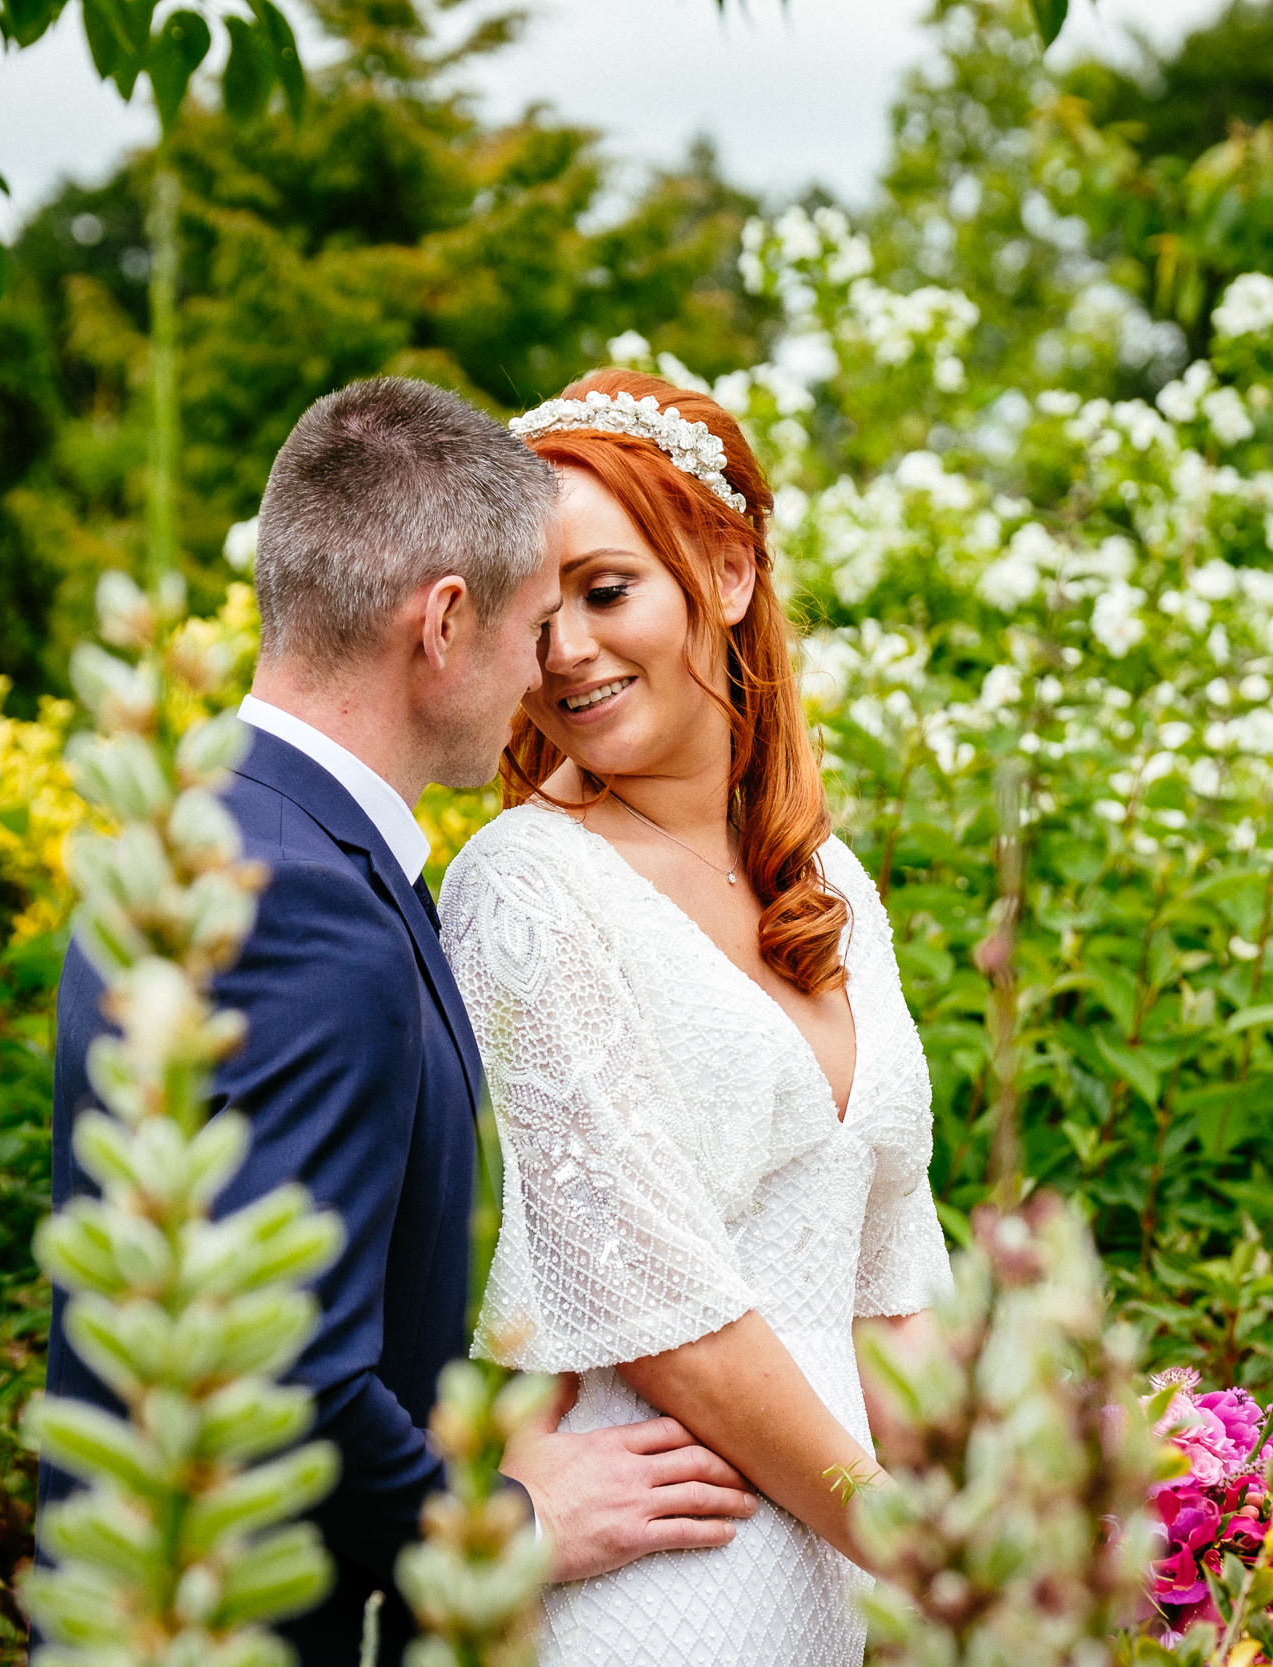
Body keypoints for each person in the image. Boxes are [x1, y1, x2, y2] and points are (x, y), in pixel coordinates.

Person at [39, 377, 758, 1664]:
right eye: (538, 622)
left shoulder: (213, 830)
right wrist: (505, 1520)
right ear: (443, 622)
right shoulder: (296, 906)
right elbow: (273, 1380)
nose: (551, 665)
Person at [440, 370, 956, 1667]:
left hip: (854, 1582)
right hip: (676, 1558)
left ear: (725, 571)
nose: (566, 653)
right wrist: (902, 1531)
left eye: (606, 591)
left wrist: (998, 1521)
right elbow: (661, 1307)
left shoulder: (834, 886)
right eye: (534, 615)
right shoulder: (527, 880)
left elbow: (892, 1279)